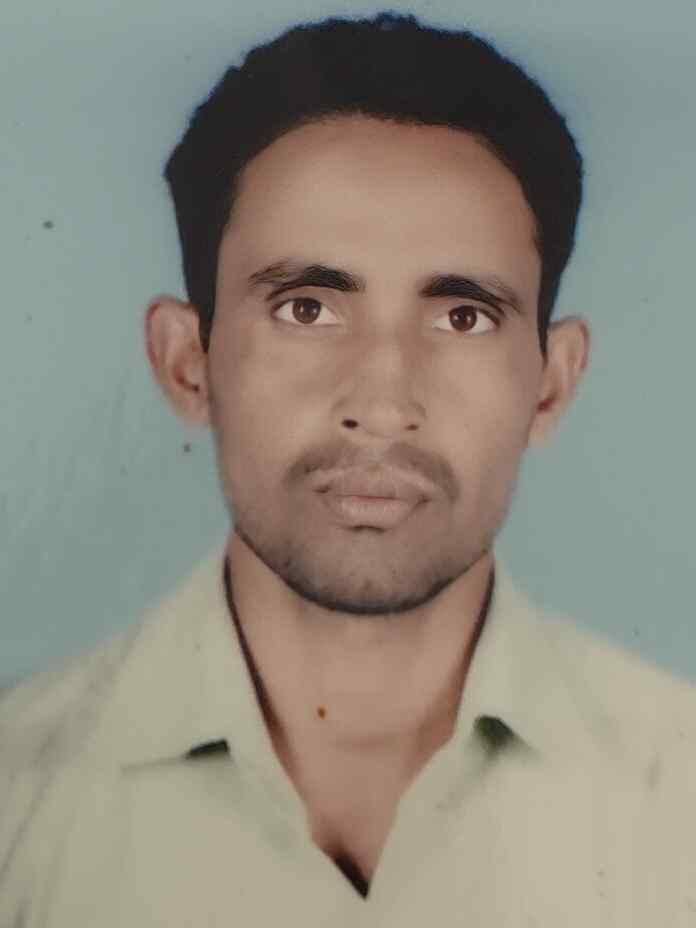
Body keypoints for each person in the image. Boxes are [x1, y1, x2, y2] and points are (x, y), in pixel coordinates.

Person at [2, 11, 696, 926]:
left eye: (462, 317)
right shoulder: (16, 802)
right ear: (188, 363)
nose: (381, 400)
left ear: (550, 386)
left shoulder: (679, 794)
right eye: (306, 308)